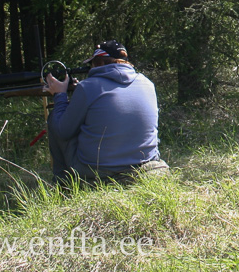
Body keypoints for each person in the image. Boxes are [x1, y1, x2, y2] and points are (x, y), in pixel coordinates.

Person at [44, 40, 167, 183]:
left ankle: (62, 182)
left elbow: (63, 131)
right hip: (143, 162)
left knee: (56, 117)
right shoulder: (148, 84)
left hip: (97, 170)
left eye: (92, 64)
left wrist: (60, 95)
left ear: (100, 62)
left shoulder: (87, 87)